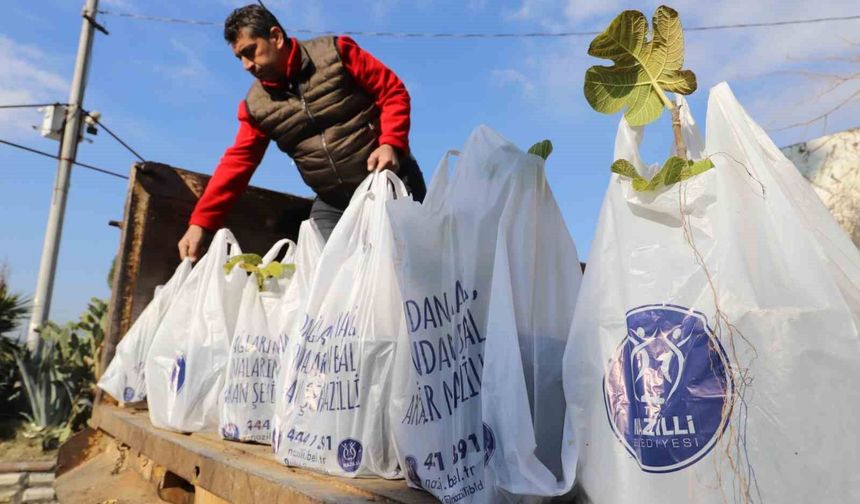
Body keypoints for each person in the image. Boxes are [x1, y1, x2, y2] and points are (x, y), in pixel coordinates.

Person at [178, 4, 426, 260]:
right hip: (335, 203)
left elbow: (392, 92)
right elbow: (238, 162)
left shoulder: (337, 52)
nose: (246, 65)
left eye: (250, 52)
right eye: (239, 57)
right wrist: (201, 223)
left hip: (391, 181)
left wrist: (391, 143)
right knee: (332, 272)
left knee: (412, 263)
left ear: (275, 36)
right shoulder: (256, 106)